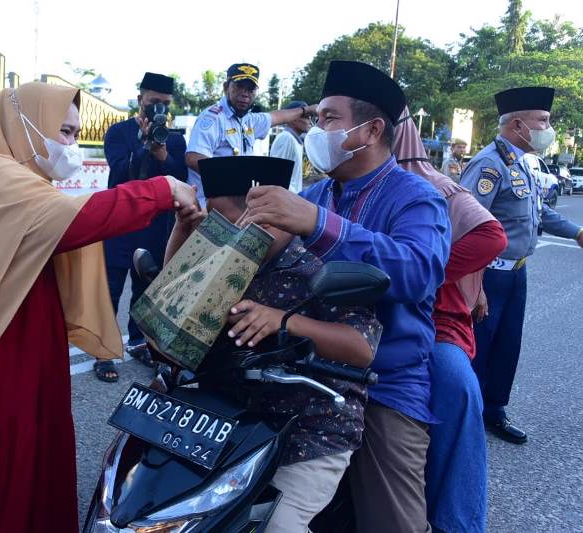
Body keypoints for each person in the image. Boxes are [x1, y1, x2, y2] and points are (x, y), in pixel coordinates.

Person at [0, 82, 198, 532]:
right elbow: (82, 219)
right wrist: (162, 188)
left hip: (16, 344)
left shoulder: (22, 182)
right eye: (63, 131)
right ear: (23, 123)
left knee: (23, 460)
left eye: (73, 133)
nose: (69, 144)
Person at [240, 60, 451, 532]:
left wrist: (317, 224)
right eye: (316, 119)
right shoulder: (317, 192)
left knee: (392, 521)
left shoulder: (417, 197)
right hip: (304, 373)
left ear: (371, 129)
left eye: (329, 119)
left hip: (384, 380)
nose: (317, 130)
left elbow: (418, 272)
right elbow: (260, 264)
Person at [165, 155, 382, 531]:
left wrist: (284, 321)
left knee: (276, 526)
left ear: (262, 214)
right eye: (210, 220)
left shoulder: (320, 262)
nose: (216, 230)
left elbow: (362, 348)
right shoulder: (224, 255)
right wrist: (183, 232)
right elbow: (172, 308)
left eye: (224, 219)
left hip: (310, 428)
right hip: (228, 414)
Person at [394, 107, 507, 533]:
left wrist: (426, 270)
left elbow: (492, 236)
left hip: (437, 319)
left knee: (457, 388)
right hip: (376, 317)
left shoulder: (434, 185)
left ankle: (458, 522)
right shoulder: (343, 188)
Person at [460, 86, 583, 444]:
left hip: (517, 272)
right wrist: (475, 283)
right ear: (518, 124)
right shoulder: (489, 164)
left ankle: (494, 410)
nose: (548, 127)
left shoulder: (520, 162)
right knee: (478, 347)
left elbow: (538, 212)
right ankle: (465, 418)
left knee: (507, 345)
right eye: (543, 120)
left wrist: (576, 233)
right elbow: (467, 223)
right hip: (490, 274)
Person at [97, 72, 187, 382]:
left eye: (164, 104)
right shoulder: (120, 132)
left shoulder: (174, 138)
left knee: (145, 289)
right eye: (152, 103)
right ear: (140, 101)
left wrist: (162, 152)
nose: (158, 110)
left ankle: (138, 341)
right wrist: (144, 145)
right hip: (119, 222)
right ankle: (103, 351)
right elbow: (120, 171)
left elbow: (180, 178)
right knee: (110, 290)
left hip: (155, 225)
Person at [185, 63, 318, 205]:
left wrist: (306, 110)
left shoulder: (249, 120)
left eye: (251, 89)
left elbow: (278, 116)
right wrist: (233, 178)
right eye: (239, 86)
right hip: (205, 206)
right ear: (226, 87)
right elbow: (193, 157)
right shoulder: (213, 118)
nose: (245, 93)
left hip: (235, 206)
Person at [270, 100, 311, 193]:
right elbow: (278, 177)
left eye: (310, 117)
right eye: (306, 117)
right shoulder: (286, 138)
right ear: (293, 119)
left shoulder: (294, 139)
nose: (309, 120)